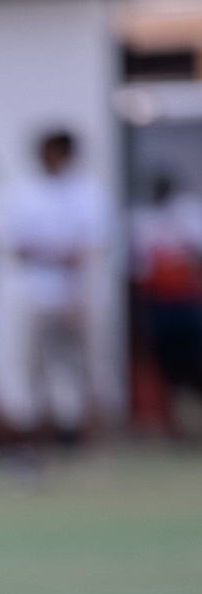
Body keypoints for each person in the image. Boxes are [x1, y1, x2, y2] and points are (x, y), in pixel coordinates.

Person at [2, 129, 109, 446]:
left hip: (78, 296)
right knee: (35, 370)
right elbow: (15, 246)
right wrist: (57, 253)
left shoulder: (87, 192)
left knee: (87, 370)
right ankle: (44, 438)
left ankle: (91, 438)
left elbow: (90, 248)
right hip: (36, 296)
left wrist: (76, 293)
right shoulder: (23, 193)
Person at [129, 172, 202, 415]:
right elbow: (140, 265)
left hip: (188, 300)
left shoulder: (188, 212)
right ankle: (175, 412)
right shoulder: (144, 219)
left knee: (194, 355)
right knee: (165, 358)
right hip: (159, 301)